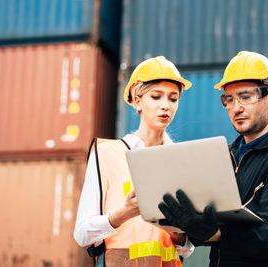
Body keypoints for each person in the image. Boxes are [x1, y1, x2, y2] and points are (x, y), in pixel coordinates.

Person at [158, 51, 268, 267]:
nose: (236, 108)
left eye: (245, 97)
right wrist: (181, 229)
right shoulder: (224, 155)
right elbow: (209, 226)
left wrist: (214, 233)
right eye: (229, 99)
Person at [73, 56, 195, 267]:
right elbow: (82, 234)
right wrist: (123, 214)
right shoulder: (106, 153)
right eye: (156, 97)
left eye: (173, 99)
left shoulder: (181, 160)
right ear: (137, 101)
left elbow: (187, 249)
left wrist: (179, 233)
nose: (165, 105)